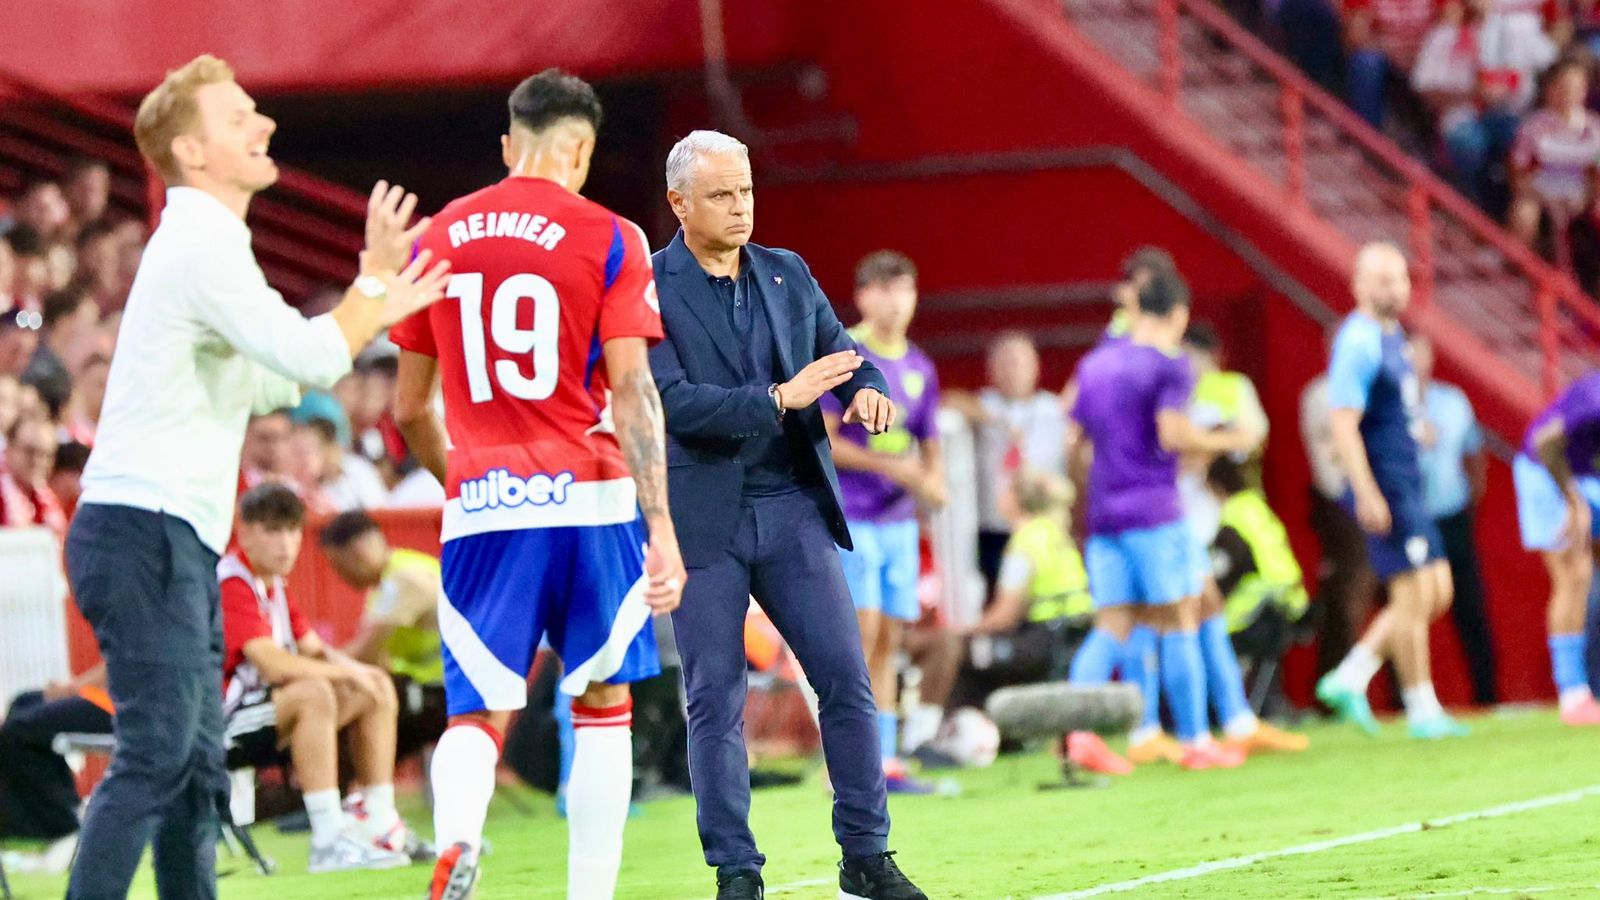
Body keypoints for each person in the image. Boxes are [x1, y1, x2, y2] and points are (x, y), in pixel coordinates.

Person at [63, 53, 448, 900]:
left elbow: (281, 377)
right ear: (193, 154)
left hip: (165, 536)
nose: (263, 123)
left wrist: (372, 300)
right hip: (145, 532)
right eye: (239, 116)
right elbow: (310, 355)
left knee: (196, 766)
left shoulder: (205, 242)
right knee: (164, 754)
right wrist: (374, 281)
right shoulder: (201, 241)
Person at [390, 69, 684, 900]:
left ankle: (455, 842)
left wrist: (471, 480)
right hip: (590, 498)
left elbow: (409, 406)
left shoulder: (437, 238)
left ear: (508, 146)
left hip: (485, 500)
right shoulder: (612, 235)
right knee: (602, 702)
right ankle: (589, 894)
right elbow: (632, 389)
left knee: (475, 712)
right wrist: (658, 523)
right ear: (580, 147)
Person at [649, 129, 924, 900]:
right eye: (722, 196)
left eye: (746, 192)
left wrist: (864, 387)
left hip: (793, 505)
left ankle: (866, 856)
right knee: (714, 699)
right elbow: (668, 402)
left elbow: (842, 354)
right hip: (704, 516)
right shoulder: (648, 287)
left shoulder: (786, 272)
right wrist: (777, 398)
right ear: (679, 202)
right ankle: (736, 871)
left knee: (846, 679)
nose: (741, 209)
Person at [1064, 270, 1257, 775]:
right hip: (1155, 511)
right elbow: (1172, 434)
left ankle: (1080, 735)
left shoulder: (1095, 363)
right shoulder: (1170, 364)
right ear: (1177, 314)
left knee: (1112, 624)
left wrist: (1081, 509)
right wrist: (1229, 440)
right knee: (1178, 619)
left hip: (1105, 515)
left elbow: (1072, 442)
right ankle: (1196, 741)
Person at [219, 484, 423, 871]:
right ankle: (328, 841)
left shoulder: (274, 583)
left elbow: (313, 648)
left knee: (375, 687)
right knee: (313, 693)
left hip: (266, 715)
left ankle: (380, 823)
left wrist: (361, 674)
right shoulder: (232, 581)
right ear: (244, 532)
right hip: (220, 724)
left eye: (293, 530)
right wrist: (342, 673)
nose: (286, 543)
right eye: (273, 530)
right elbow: (274, 665)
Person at [1315, 242, 1468, 740]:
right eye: (1382, 279)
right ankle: (1421, 707)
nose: (1394, 289)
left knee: (1437, 591)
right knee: (1412, 592)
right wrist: (1365, 491)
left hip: (1408, 480)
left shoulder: (1393, 336)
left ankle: (1351, 673)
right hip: (1386, 484)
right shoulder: (1357, 341)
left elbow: (1387, 413)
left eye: (1400, 278)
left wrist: (1414, 428)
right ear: (1358, 285)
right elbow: (1343, 424)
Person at [822, 250, 945, 794]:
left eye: (905, 290)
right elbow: (826, 441)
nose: (896, 302)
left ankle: (885, 760)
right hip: (853, 516)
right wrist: (896, 466)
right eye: (884, 290)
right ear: (864, 295)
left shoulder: (920, 366)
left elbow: (930, 440)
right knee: (859, 635)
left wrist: (931, 482)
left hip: (897, 522)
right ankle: (844, 761)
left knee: (891, 639)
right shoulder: (844, 353)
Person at [1179, 322, 1307, 757]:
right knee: (1164, 621)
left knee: (1201, 612)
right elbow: (1180, 450)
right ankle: (1189, 730)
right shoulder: (1164, 387)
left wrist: (1207, 441)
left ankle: (1229, 720)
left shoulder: (1230, 388)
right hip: (1173, 520)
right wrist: (1217, 438)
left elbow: (1254, 435)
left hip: (1207, 517)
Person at [946, 468, 1093, 710]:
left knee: (967, 656)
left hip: (1046, 640)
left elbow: (1006, 615)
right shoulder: (1055, 531)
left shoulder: (1024, 542)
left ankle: (964, 731)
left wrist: (965, 630)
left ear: (1017, 499)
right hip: (1075, 634)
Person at [1412, 334, 1499, 706]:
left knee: (1470, 606)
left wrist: (1473, 495)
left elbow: (1473, 449)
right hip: (1411, 519)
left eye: (1422, 355)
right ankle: (1409, 700)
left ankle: (1486, 695)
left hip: (1452, 516)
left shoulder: (1452, 401)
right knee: (1409, 607)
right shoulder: (1388, 408)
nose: (1417, 363)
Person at [322, 509, 449, 762]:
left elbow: (366, 653)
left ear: (357, 553)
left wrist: (310, 663)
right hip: (434, 687)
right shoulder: (394, 575)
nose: (340, 576)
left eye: (338, 566)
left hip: (445, 693)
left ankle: (359, 793)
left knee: (348, 716)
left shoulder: (403, 580)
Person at [945, 332, 1067, 593]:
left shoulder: (1053, 409)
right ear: (991, 369)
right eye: (1004, 363)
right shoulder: (985, 404)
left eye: (1019, 362)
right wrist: (994, 421)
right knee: (995, 591)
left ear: (1036, 367)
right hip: (994, 527)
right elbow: (948, 400)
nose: (1012, 371)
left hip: (1041, 526)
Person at [1514, 371, 1600, 724]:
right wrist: (1573, 501)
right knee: (1574, 575)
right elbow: (1546, 443)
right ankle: (1573, 693)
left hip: (1584, 474)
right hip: (1546, 472)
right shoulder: (1595, 401)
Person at [1205, 456, 1311, 711]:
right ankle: (1269, 704)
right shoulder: (1257, 507)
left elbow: (1226, 569)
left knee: (1199, 631)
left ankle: (1220, 711)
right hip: (1289, 606)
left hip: (1251, 615)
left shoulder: (1232, 517)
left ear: (1216, 487)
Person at [0, 662, 112, 872]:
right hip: (104, 695)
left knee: (18, 732)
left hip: (123, 705)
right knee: (22, 702)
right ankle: (32, 822)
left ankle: (66, 829)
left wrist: (72, 688)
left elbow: (120, 662)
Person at [0, 415, 64, 534]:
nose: (38, 461)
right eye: (30, 451)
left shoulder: (47, 498)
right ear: (9, 448)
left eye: (46, 455)